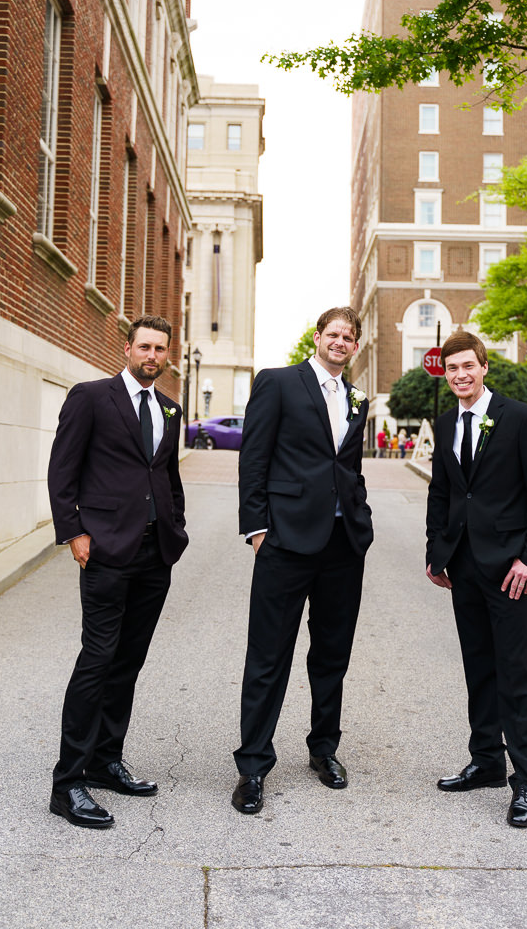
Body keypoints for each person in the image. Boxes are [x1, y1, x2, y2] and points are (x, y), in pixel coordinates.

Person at [47, 315, 188, 828]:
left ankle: (107, 759)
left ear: (168, 355)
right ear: (127, 348)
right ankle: (68, 783)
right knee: (97, 659)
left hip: (156, 554)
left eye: (160, 349)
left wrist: (178, 525)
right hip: (106, 550)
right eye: (144, 346)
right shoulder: (90, 397)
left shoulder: (170, 408)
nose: (152, 355)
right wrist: (74, 531)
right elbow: (62, 469)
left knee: (128, 661)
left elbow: (167, 475)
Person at [232, 306, 373, 815]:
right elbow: (254, 457)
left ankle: (324, 750)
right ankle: (252, 766)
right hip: (285, 541)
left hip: (343, 544)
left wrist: (362, 516)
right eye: (333, 333)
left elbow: (349, 466)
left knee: (332, 655)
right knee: (269, 656)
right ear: (317, 338)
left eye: (348, 337)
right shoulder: (278, 382)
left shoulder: (357, 398)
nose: (340, 342)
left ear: (354, 346)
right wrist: (257, 528)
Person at [425, 330, 527, 828]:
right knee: (478, 667)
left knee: (516, 672)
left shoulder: (519, 418)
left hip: (510, 569)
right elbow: (443, 493)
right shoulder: (445, 423)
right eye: (451, 368)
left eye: (468, 366)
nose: (460, 374)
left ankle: (525, 780)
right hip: (462, 566)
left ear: (484, 368)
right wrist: (436, 553)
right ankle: (485, 761)